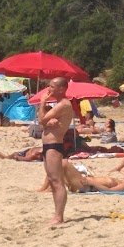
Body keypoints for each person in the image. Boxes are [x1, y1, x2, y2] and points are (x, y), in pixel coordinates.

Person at [38, 77, 73, 225]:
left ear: (61, 89)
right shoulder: (58, 105)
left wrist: (42, 103)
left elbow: (41, 120)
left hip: (54, 146)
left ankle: (59, 217)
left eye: (52, 86)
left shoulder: (64, 104)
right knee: (52, 181)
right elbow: (42, 121)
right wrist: (47, 120)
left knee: (57, 182)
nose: (49, 89)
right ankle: (57, 215)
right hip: (48, 146)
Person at [38, 159, 124, 193]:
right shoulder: (123, 181)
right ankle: (46, 189)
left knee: (63, 163)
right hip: (85, 182)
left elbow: (110, 191)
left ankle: (43, 189)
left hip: (85, 185)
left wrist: (92, 182)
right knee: (58, 165)